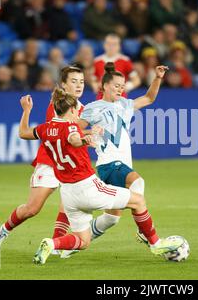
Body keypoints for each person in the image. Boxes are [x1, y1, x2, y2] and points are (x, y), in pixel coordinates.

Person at [17, 88, 183, 264]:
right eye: (77, 111)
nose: (78, 114)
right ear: (72, 110)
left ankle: (51, 243)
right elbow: (73, 139)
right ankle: (156, 243)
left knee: (83, 240)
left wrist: (26, 111)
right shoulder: (71, 126)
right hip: (87, 187)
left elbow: (23, 133)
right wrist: (84, 140)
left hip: (67, 194)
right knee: (138, 201)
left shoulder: (45, 128)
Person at [56, 62, 168, 258]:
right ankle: (146, 233)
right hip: (109, 164)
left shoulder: (125, 104)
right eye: (116, 85)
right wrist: (89, 133)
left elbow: (149, 98)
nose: (120, 89)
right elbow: (73, 128)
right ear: (105, 86)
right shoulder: (93, 108)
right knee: (138, 182)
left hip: (120, 165)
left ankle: (74, 244)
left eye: (122, 86)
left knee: (111, 219)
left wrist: (157, 78)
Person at [0, 65, 87, 252]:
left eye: (81, 81)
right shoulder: (56, 106)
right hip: (50, 162)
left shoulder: (83, 109)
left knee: (69, 203)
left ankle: (56, 245)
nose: (79, 85)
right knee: (32, 209)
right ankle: (3, 231)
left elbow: (78, 133)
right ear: (64, 85)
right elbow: (62, 132)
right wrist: (88, 135)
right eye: (73, 81)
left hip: (70, 166)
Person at [93, 34, 141, 98]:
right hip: (102, 98)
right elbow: (93, 79)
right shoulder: (97, 61)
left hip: (120, 98)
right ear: (104, 45)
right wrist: (95, 85)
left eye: (114, 44)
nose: (111, 47)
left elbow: (136, 80)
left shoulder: (125, 61)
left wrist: (127, 86)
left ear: (119, 46)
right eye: (109, 44)